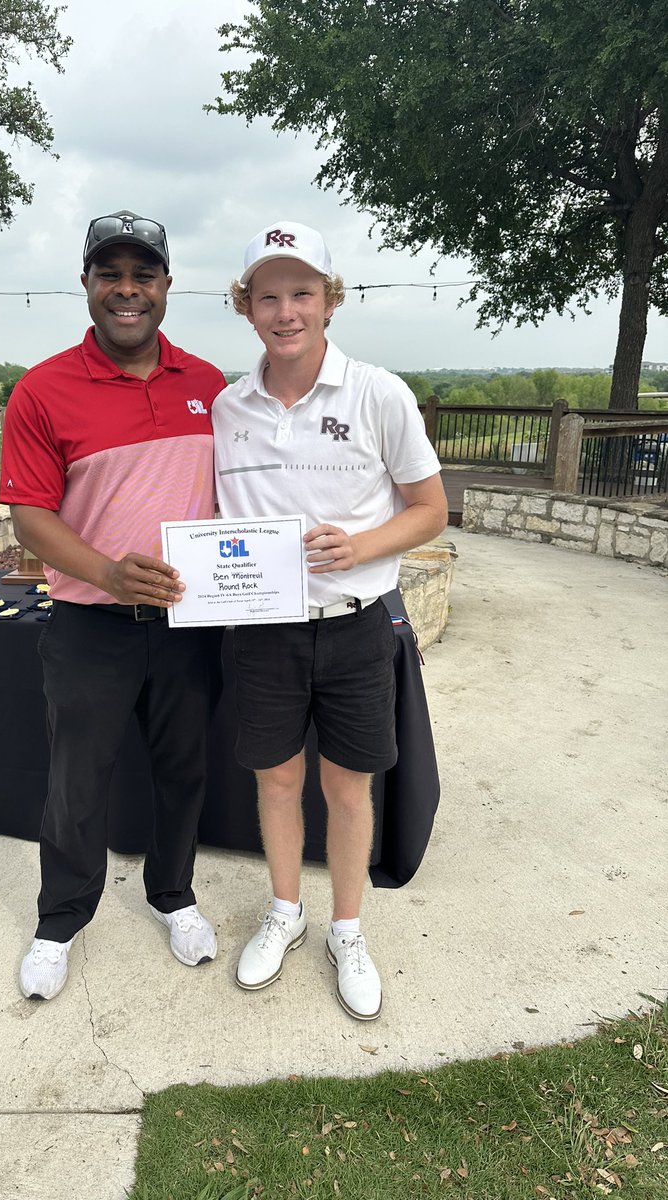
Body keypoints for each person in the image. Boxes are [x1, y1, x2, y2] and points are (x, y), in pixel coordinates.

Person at [212, 221, 447, 1020]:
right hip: (264, 630)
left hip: (355, 626)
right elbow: (218, 515)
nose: (286, 311)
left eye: (302, 293)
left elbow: (430, 510)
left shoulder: (380, 393)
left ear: (329, 300)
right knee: (277, 780)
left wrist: (364, 545)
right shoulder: (227, 407)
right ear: (246, 308)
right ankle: (287, 911)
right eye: (268, 295)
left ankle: (347, 930)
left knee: (348, 788)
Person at [0, 209, 226, 1001]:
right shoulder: (42, 390)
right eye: (110, 275)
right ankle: (60, 919)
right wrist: (106, 570)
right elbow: (30, 515)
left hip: (189, 627)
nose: (127, 290)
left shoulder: (207, 386)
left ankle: (174, 897)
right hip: (89, 627)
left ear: (166, 287)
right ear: (88, 285)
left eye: (143, 276)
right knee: (77, 782)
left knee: (184, 773)